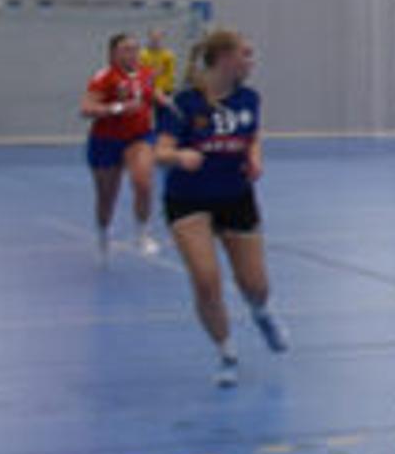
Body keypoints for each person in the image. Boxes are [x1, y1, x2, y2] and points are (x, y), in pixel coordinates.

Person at [153, 30, 282, 381]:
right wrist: (179, 156)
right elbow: (159, 151)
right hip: (188, 198)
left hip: (235, 196)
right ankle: (226, 353)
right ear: (225, 58)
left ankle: (262, 312)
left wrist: (255, 158)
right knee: (206, 281)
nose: (251, 61)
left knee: (255, 284)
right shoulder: (183, 103)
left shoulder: (249, 98)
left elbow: (252, 135)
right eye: (245, 54)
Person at [80, 31, 162, 258]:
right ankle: (103, 232)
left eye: (135, 49)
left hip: (139, 137)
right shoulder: (104, 77)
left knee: (143, 182)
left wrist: (164, 100)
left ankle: (142, 233)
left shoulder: (146, 74)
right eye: (126, 49)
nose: (132, 54)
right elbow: (86, 108)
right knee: (107, 197)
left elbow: (149, 96)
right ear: (113, 54)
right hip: (106, 140)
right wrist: (117, 108)